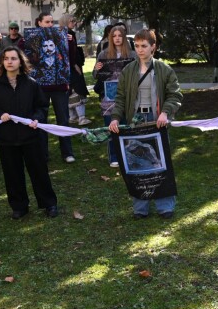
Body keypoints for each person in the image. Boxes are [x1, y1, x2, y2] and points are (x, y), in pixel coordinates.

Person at [108, 29, 183, 218]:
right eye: (137, 46)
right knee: (136, 162)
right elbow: (121, 97)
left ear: (153, 47)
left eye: (144, 46)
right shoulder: (128, 70)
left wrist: (165, 112)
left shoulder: (164, 70)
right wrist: (116, 118)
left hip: (157, 121)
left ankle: (165, 206)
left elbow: (175, 95)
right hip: (135, 121)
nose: (140, 50)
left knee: (160, 162)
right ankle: (140, 208)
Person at [0, 46, 59, 219]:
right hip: (6, 138)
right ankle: (19, 206)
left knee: (39, 172)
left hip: (31, 137)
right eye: (6, 58)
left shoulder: (31, 84)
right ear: (2, 62)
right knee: (12, 174)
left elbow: (42, 106)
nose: (10, 61)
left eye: (14, 58)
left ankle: (49, 204)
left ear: (20, 61)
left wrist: (36, 119)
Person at [23, 12, 76, 163]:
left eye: (52, 22)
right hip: (40, 88)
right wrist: (24, 42)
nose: (50, 25)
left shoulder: (62, 37)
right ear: (39, 23)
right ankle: (42, 153)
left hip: (59, 87)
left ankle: (67, 153)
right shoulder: (33, 39)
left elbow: (70, 60)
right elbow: (25, 58)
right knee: (40, 121)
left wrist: (70, 42)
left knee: (63, 120)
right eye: (47, 22)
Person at [94, 24, 136, 167]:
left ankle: (128, 155)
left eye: (120, 36)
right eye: (114, 36)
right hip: (109, 96)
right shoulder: (103, 54)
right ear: (111, 38)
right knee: (111, 125)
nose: (117, 38)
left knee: (127, 125)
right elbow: (96, 76)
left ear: (124, 38)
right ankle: (114, 156)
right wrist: (96, 69)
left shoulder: (133, 55)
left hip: (128, 94)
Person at [62, 15, 90, 126]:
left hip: (70, 67)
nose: (74, 23)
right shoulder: (67, 34)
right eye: (72, 21)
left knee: (71, 92)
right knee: (76, 91)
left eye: (75, 21)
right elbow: (68, 53)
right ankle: (80, 118)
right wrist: (74, 65)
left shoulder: (69, 33)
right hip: (71, 68)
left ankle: (73, 116)